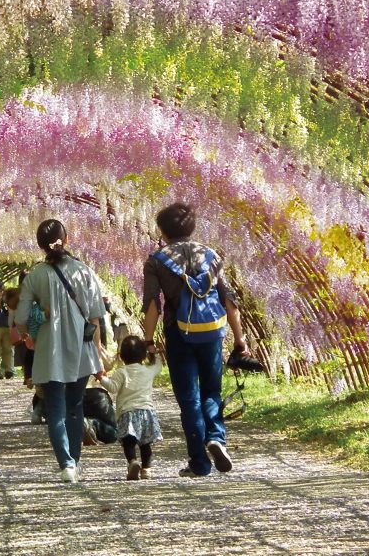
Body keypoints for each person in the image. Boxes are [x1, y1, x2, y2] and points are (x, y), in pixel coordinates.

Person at [142, 201, 254, 477]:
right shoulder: (212, 256)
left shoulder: (157, 260)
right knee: (211, 392)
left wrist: (147, 341)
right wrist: (240, 340)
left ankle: (199, 462)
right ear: (191, 229)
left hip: (178, 333)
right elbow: (230, 300)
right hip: (212, 333)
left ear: (162, 231)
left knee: (189, 398)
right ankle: (216, 437)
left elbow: (152, 305)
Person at [13, 218, 106, 483]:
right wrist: (98, 355)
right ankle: (74, 462)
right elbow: (96, 317)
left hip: (48, 350)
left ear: (41, 246)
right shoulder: (84, 271)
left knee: (55, 408)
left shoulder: (35, 276)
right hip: (81, 349)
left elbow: (20, 316)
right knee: (75, 406)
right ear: (66, 240)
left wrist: (30, 330)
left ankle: (66, 464)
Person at [96, 335, 162, 480]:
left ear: (122, 356)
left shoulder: (122, 372)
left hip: (128, 412)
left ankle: (132, 462)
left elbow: (112, 388)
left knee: (128, 442)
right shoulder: (148, 370)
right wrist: (154, 352)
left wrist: (101, 378)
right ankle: (146, 469)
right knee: (146, 444)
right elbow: (158, 366)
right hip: (146, 412)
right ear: (143, 355)